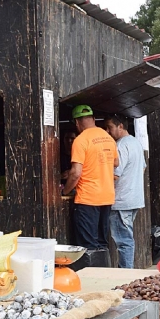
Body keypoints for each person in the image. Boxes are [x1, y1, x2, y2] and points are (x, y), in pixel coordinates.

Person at [62, 105, 118, 255]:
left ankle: (90, 276)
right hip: (106, 198)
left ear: (77, 123)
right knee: (101, 243)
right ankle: (104, 276)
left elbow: (75, 173)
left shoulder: (80, 140)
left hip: (88, 199)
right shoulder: (108, 138)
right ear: (93, 119)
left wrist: (65, 190)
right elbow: (116, 162)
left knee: (88, 246)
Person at [105, 114, 145, 269]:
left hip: (121, 200)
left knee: (124, 241)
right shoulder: (136, 143)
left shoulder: (120, 146)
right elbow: (142, 169)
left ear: (120, 126)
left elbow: (115, 174)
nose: (108, 131)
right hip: (134, 198)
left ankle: (126, 273)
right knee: (126, 239)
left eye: (110, 127)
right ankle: (126, 271)